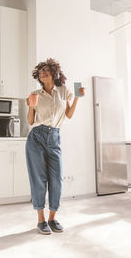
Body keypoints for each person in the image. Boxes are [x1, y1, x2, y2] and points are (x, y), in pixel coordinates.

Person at [25, 58, 85, 235]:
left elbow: (69, 114)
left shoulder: (64, 91)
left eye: (46, 70)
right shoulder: (35, 93)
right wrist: (30, 106)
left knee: (56, 179)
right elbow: (30, 120)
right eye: (41, 71)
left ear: (54, 73)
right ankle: (41, 220)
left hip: (54, 137)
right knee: (39, 179)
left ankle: (52, 218)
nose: (43, 73)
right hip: (36, 137)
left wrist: (77, 99)